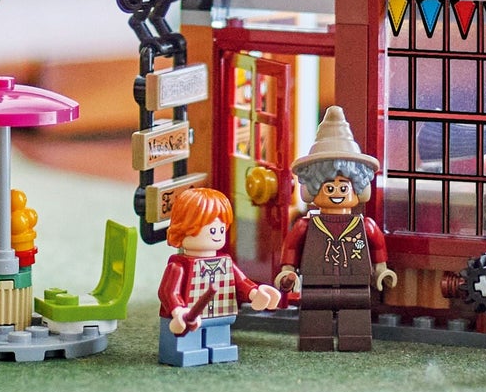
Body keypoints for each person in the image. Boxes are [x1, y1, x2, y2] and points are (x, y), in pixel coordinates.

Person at [276, 106, 397, 353]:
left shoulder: (365, 225)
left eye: (344, 187)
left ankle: (354, 340)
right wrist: (288, 272)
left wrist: (381, 271)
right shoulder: (305, 225)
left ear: (359, 189)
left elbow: (377, 248)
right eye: (329, 188)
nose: (337, 193)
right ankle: (315, 341)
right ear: (312, 189)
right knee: (314, 317)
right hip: (315, 282)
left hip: (355, 281)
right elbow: (292, 249)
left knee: (356, 316)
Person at [156, 186, 280, 367]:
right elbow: (167, 292)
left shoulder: (225, 262)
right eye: (212, 230)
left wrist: (255, 293)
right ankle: (187, 350)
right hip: (187, 319)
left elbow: (241, 282)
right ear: (184, 228)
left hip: (219, 315)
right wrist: (178, 310)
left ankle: (219, 347)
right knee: (188, 345)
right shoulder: (179, 265)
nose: (217, 235)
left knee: (218, 339)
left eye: (221, 229)